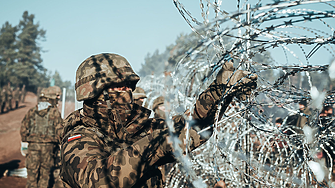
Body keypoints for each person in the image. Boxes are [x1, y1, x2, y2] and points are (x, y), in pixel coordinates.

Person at [59, 53, 257, 188]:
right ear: (95, 92)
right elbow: (100, 181)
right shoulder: (79, 137)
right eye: (120, 87)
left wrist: (218, 95)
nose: (128, 91)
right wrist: (157, 144)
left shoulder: (140, 129)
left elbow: (193, 127)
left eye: (130, 85)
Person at [20, 86, 63, 188]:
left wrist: (26, 141)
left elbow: (23, 129)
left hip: (33, 147)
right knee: (45, 176)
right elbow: (60, 132)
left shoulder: (32, 111)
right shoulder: (55, 112)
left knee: (31, 176)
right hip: (49, 148)